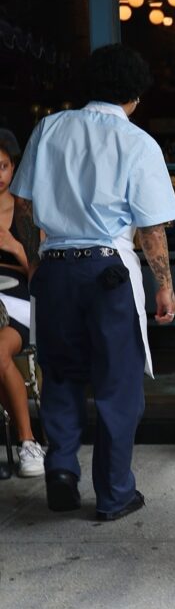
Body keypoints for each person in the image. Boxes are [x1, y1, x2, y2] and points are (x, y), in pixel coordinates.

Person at [12, 44, 175, 520]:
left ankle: (62, 469)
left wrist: (34, 259)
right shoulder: (138, 142)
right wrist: (165, 285)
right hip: (108, 270)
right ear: (135, 95)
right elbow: (151, 228)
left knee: (61, 374)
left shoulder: (49, 128)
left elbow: (22, 206)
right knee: (117, 384)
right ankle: (115, 493)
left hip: (56, 266)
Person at [0, 129, 45, 477]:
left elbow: (42, 277)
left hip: (20, 299)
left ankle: (27, 441)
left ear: (13, 167)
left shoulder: (28, 211)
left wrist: (15, 248)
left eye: (1, 166)